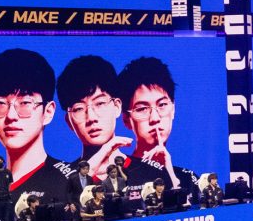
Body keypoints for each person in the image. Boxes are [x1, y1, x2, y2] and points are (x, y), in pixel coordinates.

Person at [0, 47, 79, 209]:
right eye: (0, 103)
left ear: (48, 112)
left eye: (25, 103)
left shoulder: (70, 180)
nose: (11, 116)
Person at [117, 56, 196, 203]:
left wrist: (170, 174)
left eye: (162, 105)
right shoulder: (121, 175)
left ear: (173, 109)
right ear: (126, 119)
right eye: (142, 108)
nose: (155, 118)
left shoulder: (188, 178)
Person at [59, 55, 134, 184]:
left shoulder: (146, 172)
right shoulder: (62, 180)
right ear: (69, 121)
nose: (91, 118)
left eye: (100, 103)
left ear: (117, 107)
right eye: (79, 108)